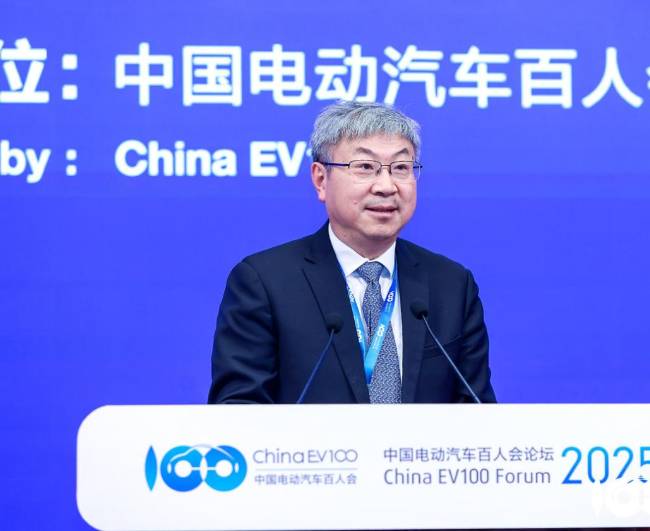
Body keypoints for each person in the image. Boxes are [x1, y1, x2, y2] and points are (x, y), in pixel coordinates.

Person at [208, 101, 496, 404]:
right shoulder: (265, 283)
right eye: (365, 167)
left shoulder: (451, 284)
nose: (386, 186)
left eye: (401, 168)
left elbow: (478, 412)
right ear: (321, 180)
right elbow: (238, 411)